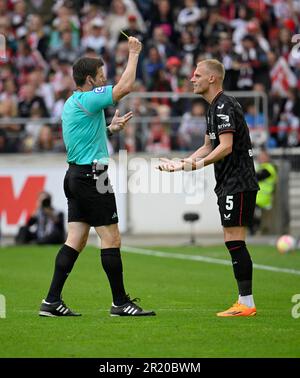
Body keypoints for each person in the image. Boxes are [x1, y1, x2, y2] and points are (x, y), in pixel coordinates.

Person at [39, 37, 155, 317]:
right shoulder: (90, 99)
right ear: (89, 80)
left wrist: (109, 129)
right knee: (111, 238)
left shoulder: (73, 103)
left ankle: (51, 301)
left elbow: (85, 137)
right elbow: (126, 87)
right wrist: (134, 54)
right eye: (101, 77)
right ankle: (119, 302)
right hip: (93, 176)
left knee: (76, 239)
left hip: (76, 175)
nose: (105, 80)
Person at [157, 59, 259, 317]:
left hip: (238, 181)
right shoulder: (213, 108)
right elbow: (207, 145)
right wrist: (182, 164)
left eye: (197, 75)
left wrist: (196, 166)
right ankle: (244, 301)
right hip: (228, 182)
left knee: (234, 240)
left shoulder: (224, 105)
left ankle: (246, 303)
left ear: (212, 78)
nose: (192, 79)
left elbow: (224, 147)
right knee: (232, 240)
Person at [250, 148, 277, 234]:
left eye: (263, 157)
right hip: (257, 197)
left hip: (263, 198)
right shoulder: (259, 167)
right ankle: (254, 230)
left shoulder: (269, 168)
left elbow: (256, 177)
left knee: (254, 213)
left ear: (268, 158)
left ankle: (256, 230)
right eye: (260, 157)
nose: (261, 158)